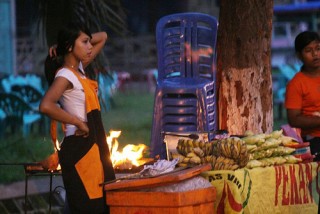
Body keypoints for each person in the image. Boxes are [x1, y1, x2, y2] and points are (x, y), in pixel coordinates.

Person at [39, 21, 115, 213]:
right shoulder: (65, 75)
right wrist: (77, 122)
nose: (90, 46)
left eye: (90, 42)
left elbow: (103, 36)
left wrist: (61, 46)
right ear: (71, 47)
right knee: (86, 204)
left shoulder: (79, 70)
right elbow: (46, 105)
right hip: (79, 147)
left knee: (92, 203)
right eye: (85, 42)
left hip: (91, 146)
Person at [285, 31, 320, 161]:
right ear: (300, 56)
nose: (315, 54)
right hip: (315, 141)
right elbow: (293, 119)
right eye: (308, 50)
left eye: (318, 48)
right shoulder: (296, 84)